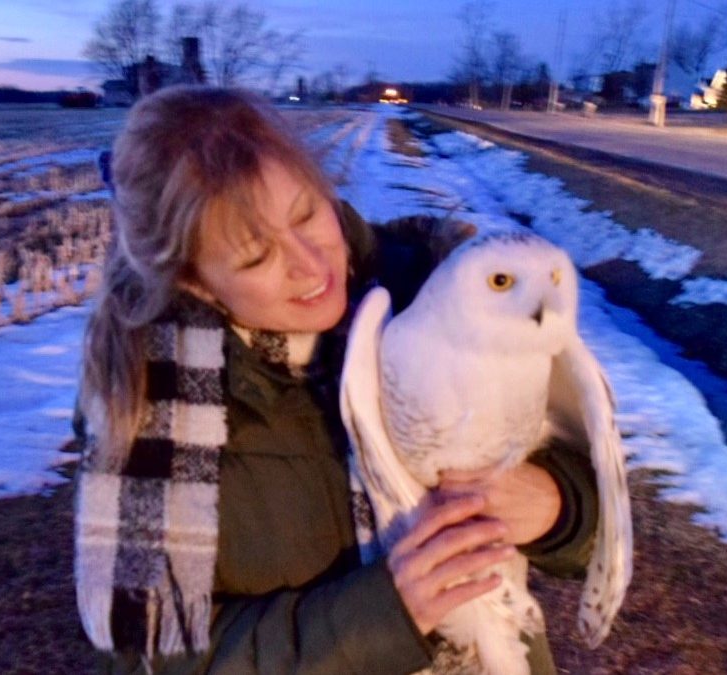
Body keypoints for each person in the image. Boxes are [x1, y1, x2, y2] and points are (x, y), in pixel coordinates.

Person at [74, 85, 598, 674]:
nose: (310, 264)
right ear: (195, 282)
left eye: (306, 213)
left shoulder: (429, 288)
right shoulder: (153, 401)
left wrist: (556, 505)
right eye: (255, 257)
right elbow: (149, 660)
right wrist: (381, 613)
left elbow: (597, 495)